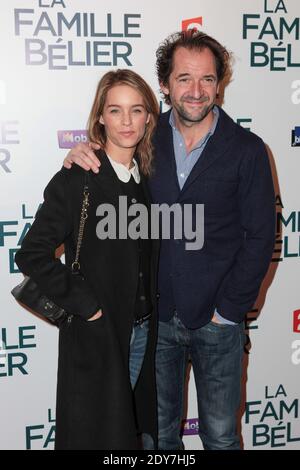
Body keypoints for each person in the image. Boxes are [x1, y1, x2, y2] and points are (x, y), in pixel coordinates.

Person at [63, 30, 275, 450]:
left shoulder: (247, 149)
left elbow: (261, 236)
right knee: (158, 438)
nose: (196, 91)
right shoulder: (144, 138)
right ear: (164, 83)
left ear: (220, 84)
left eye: (207, 79)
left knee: (219, 435)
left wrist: (228, 311)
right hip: (156, 320)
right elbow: (107, 165)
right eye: (184, 79)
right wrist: (77, 154)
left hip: (220, 322)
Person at [15, 69, 160, 450]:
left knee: (134, 436)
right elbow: (31, 254)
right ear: (100, 117)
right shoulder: (79, 177)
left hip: (144, 334)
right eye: (115, 110)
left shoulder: (146, 176)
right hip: (99, 335)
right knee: (100, 437)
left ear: (149, 116)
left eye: (136, 110)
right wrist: (87, 306)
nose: (126, 121)